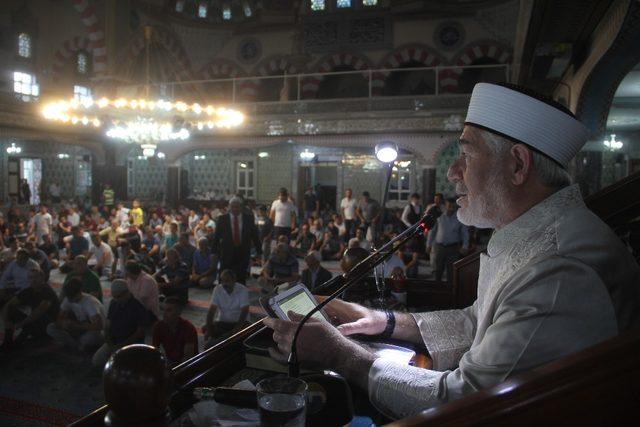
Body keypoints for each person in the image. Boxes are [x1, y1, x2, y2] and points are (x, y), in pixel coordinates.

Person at [264, 83, 640, 419]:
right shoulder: (536, 232)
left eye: (467, 155)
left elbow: (465, 401)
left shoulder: (558, 270)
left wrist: (337, 353)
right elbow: (479, 321)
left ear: (518, 164)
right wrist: (383, 321)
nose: (453, 172)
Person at [92, 280, 147, 367]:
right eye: (114, 297)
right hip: (114, 341)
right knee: (97, 360)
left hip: (130, 344)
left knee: (118, 364)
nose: (116, 299)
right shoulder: (114, 303)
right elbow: (108, 324)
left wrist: (121, 345)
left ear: (127, 293)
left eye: (118, 296)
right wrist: (108, 339)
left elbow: (140, 333)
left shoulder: (138, 307)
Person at [1, 268, 59, 351]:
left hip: (49, 326)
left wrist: (21, 324)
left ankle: (16, 344)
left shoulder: (47, 292)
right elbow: (9, 305)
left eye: (36, 277)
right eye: (31, 277)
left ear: (42, 278)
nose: (33, 280)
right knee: (11, 310)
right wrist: (6, 321)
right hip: (35, 322)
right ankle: (8, 341)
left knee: (33, 319)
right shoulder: (28, 291)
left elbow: (39, 312)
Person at [211, 197, 261, 284]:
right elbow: (216, 237)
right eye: (233, 207)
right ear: (229, 207)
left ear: (241, 207)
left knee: (240, 278)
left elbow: (255, 236)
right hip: (227, 252)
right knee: (224, 277)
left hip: (243, 252)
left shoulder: (248, 219)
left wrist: (259, 251)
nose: (235, 209)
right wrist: (214, 252)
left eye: (237, 207)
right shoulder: (222, 219)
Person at [47, 277, 105, 352]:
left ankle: (74, 345)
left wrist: (77, 326)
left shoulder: (90, 303)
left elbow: (99, 326)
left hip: (92, 331)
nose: (70, 300)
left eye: (72, 297)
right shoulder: (68, 299)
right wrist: (63, 323)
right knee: (50, 328)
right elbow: (59, 317)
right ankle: (77, 345)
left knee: (91, 336)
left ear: (79, 292)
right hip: (77, 329)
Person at [426, 198, 470, 283]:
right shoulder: (439, 216)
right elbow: (432, 231)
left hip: (453, 248)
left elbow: (465, 233)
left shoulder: (459, 218)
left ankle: (450, 291)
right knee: (438, 270)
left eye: (453, 206)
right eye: (449, 206)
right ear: (445, 206)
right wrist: (428, 244)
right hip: (439, 247)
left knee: (452, 272)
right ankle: (437, 289)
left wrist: (465, 246)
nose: (451, 208)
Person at [203, 269, 249, 347]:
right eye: (222, 281)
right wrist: (209, 329)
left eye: (227, 281)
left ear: (234, 280)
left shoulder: (242, 289)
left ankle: (216, 343)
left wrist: (236, 329)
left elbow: (244, 312)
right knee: (205, 328)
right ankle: (223, 340)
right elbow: (211, 312)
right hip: (222, 322)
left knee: (243, 331)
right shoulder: (218, 289)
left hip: (239, 323)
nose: (224, 284)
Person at [152, 296, 198, 367]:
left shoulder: (188, 328)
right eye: (163, 310)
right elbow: (154, 351)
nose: (164, 314)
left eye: (169, 310)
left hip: (189, 364)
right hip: (170, 361)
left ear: (179, 312)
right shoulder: (159, 326)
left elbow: (188, 358)